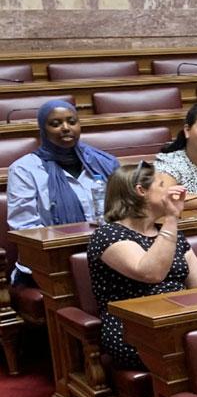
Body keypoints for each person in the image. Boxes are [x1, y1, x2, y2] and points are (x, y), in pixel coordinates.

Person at [87, 162, 197, 370]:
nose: (172, 189)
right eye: (162, 184)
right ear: (141, 191)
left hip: (179, 319)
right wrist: (172, 218)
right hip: (135, 330)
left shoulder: (172, 235)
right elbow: (152, 273)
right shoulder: (108, 235)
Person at [7, 101, 120, 283]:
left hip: (108, 254)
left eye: (72, 121)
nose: (66, 128)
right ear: (43, 129)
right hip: (49, 265)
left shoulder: (103, 162)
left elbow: (124, 210)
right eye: (55, 124)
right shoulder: (24, 170)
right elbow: (25, 229)